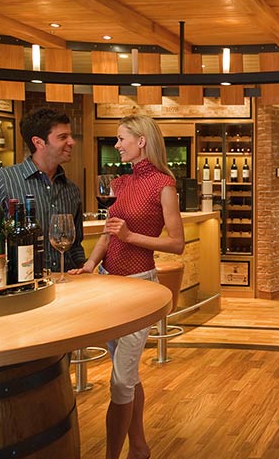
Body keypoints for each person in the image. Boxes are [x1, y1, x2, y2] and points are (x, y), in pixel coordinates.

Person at [70, 114, 184, 459]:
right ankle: (139, 446)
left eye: (122, 139)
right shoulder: (119, 184)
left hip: (139, 289)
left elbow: (176, 243)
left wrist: (130, 236)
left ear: (141, 141)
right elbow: (109, 233)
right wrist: (90, 264)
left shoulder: (164, 184)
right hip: (110, 285)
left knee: (120, 381)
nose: (117, 145)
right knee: (128, 376)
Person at [0, 106, 85, 272]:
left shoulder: (72, 189)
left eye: (70, 136)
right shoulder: (1, 181)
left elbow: (75, 246)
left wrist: (83, 271)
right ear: (38, 142)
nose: (72, 142)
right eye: (63, 137)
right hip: (22, 283)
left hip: (67, 281)